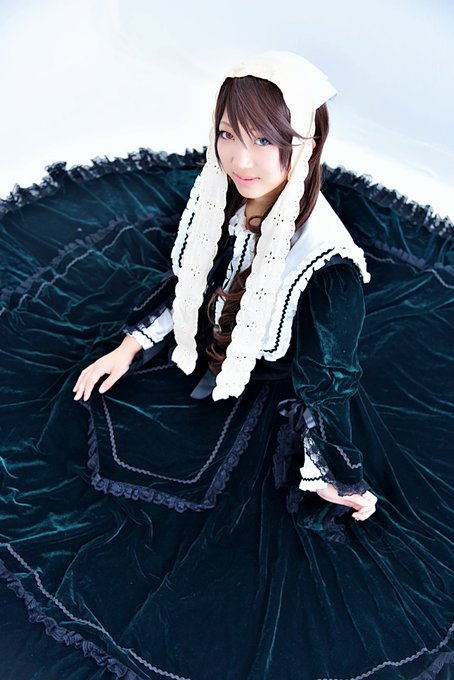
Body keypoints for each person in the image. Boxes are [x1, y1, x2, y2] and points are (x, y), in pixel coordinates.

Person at [1, 51, 452, 680]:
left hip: (279, 397)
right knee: (69, 414)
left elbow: (326, 381)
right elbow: (193, 284)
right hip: (207, 354)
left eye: (263, 140)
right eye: (228, 135)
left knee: (226, 562)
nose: (240, 160)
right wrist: (130, 345)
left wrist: (334, 473)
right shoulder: (230, 201)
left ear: (303, 144)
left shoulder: (331, 269)